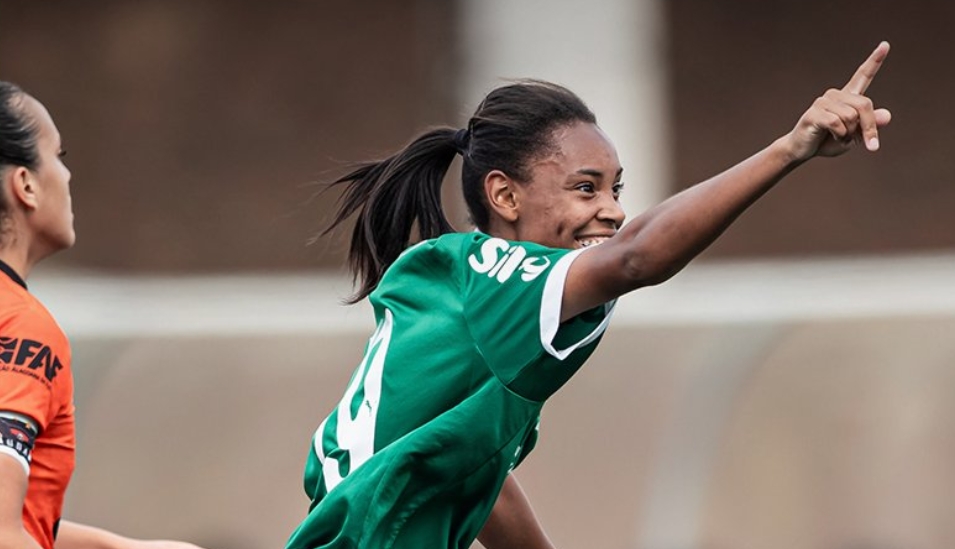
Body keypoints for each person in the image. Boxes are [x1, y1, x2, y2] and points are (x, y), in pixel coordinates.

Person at [285, 42, 892, 549]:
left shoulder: (476, 300)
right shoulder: (494, 275)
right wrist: (791, 148)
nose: (614, 208)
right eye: (585, 187)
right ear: (504, 196)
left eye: (616, 188)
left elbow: (475, 468)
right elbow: (637, 256)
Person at [0, 81, 205, 549]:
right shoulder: (20, 327)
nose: (68, 176)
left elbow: (25, 518)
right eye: (59, 154)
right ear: (25, 184)